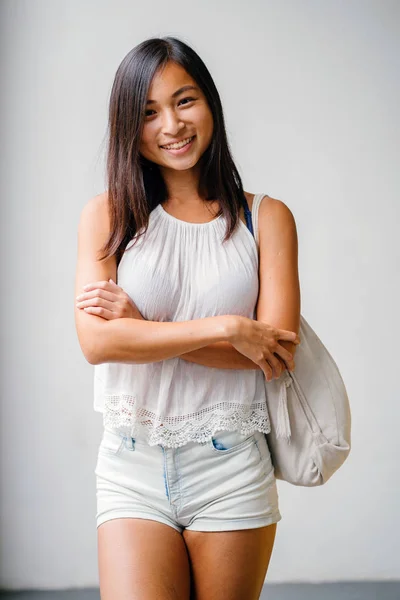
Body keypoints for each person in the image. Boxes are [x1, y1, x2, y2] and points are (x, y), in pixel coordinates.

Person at [75, 36, 301, 600]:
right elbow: (97, 343)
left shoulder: (266, 219)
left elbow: (273, 355)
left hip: (230, 465)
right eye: (148, 112)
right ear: (130, 125)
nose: (171, 125)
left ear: (210, 104)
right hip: (131, 463)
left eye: (184, 100)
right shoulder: (108, 214)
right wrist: (226, 329)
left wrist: (142, 329)